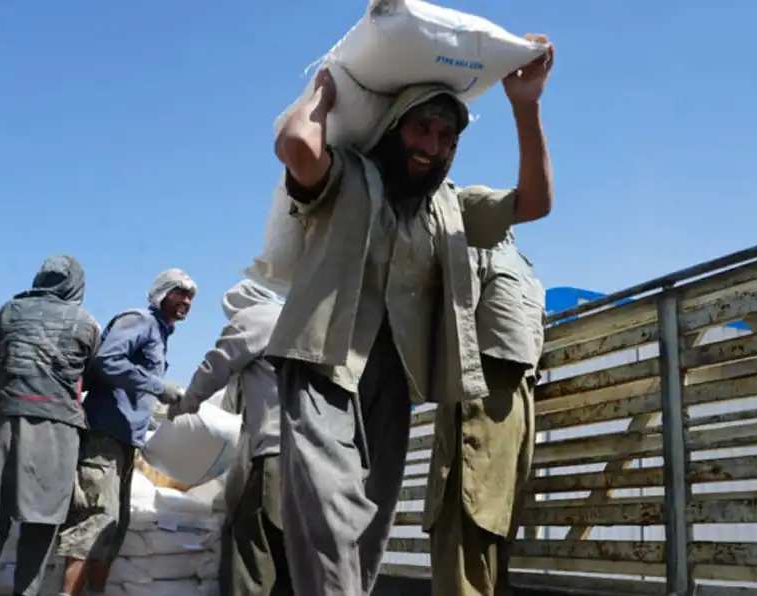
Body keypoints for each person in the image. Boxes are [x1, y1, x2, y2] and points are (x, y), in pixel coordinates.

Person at [268, 33, 554, 596]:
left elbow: (535, 201)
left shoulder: (452, 204)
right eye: (422, 127)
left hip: (394, 378)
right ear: (394, 126)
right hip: (322, 365)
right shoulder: (349, 175)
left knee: (370, 526)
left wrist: (527, 106)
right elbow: (297, 145)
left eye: (446, 136)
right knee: (329, 512)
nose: (432, 145)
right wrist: (322, 95)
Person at [0, 255, 100, 596]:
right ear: (77, 286)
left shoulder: (10, 311)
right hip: (57, 432)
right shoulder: (86, 323)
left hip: (5, 423)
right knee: (42, 519)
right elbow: (92, 377)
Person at [56, 268, 197, 596]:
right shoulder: (139, 321)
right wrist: (157, 386)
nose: (187, 301)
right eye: (180, 292)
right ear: (162, 293)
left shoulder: (160, 333)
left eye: (191, 296)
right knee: (94, 521)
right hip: (103, 437)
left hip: (125, 441)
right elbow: (107, 361)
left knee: (113, 527)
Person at [423, 231, 546, 596]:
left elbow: (449, 324)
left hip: (478, 398)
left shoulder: (476, 248)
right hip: (518, 406)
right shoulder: (526, 271)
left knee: (459, 531)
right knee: (492, 531)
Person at [168, 279, 288, 595]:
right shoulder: (296, 319)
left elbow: (215, 366)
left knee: (252, 549)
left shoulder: (255, 317)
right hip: (315, 457)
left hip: (274, 453)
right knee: (292, 556)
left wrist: (184, 404)